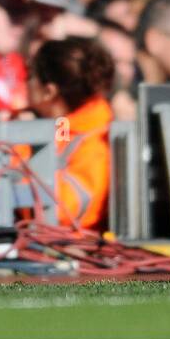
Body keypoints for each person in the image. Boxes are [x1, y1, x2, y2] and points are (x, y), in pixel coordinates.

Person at [27, 36, 114, 230]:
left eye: (29, 76)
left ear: (49, 91)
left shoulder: (95, 140)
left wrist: (20, 146)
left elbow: (64, 210)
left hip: (74, 249)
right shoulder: (65, 124)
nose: (26, 83)